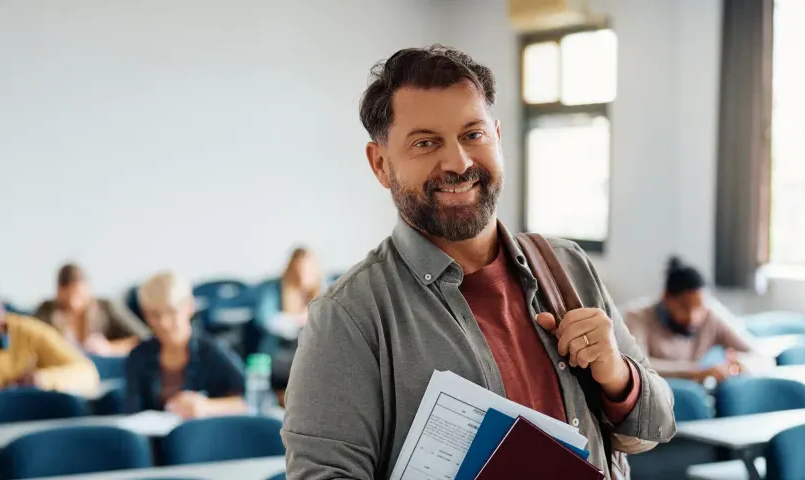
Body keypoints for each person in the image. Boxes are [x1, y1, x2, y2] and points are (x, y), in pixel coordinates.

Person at [281, 46, 676, 479]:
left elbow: (658, 426)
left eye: (473, 134)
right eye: (426, 143)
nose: (459, 162)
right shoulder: (350, 316)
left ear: (498, 138)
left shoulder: (566, 265)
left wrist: (617, 376)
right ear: (381, 164)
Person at [124, 271, 247, 418]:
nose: (164, 323)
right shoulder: (139, 355)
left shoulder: (212, 351)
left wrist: (207, 406)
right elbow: (132, 411)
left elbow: (252, 401)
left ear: (189, 306)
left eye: (171, 311)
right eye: (154, 314)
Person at [625, 257, 759, 382]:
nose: (692, 317)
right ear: (666, 297)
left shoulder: (711, 315)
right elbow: (636, 365)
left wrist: (742, 364)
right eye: (684, 307)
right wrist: (696, 371)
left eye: (699, 307)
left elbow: (757, 354)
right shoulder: (637, 317)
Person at [256, 247, 323, 404]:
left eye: (307, 269)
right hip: (279, 352)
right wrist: (298, 320)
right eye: (299, 269)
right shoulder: (274, 288)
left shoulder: (324, 291)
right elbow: (266, 320)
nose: (302, 274)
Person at [34, 263, 148, 356]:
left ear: (88, 288)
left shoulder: (107, 308)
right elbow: (30, 342)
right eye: (66, 299)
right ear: (58, 291)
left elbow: (144, 339)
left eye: (78, 296)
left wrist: (110, 348)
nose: (73, 304)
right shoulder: (46, 310)